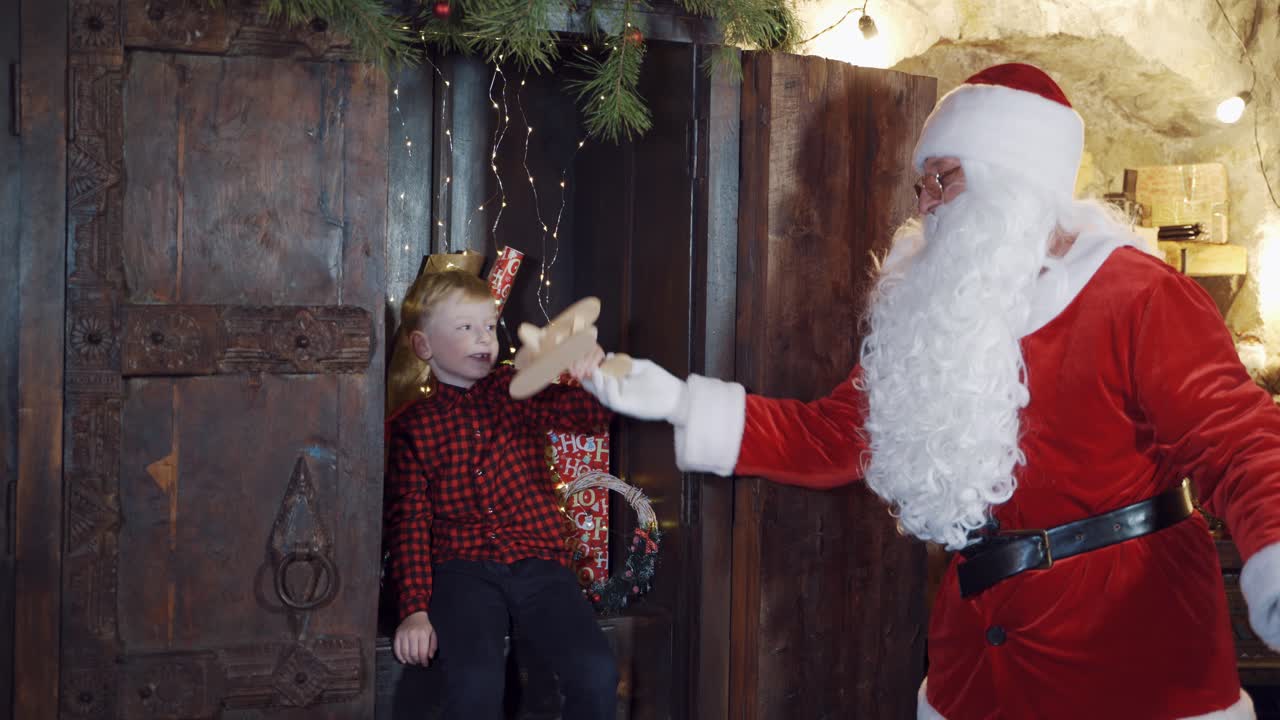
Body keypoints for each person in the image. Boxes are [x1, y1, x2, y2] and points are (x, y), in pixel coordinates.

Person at [583, 63, 1280, 719]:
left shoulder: (1140, 295)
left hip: (1126, 658)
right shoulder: (939, 313)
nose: (924, 208)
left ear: (1010, 177)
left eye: (942, 181)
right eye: (921, 188)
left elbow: (1239, 442)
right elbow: (834, 435)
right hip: (975, 661)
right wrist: (675, 399)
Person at [383, 269, 617, 719]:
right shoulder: (415, 426)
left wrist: (594, 375)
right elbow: (409, 521)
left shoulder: (517, 390)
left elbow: (588, 418)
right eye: (465, 328)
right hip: (462, 569)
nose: (483, 338)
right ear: (423, 347)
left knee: (595, 670)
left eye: (489, 326)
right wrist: (414, 609)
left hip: (539, 561)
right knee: (474, 684)